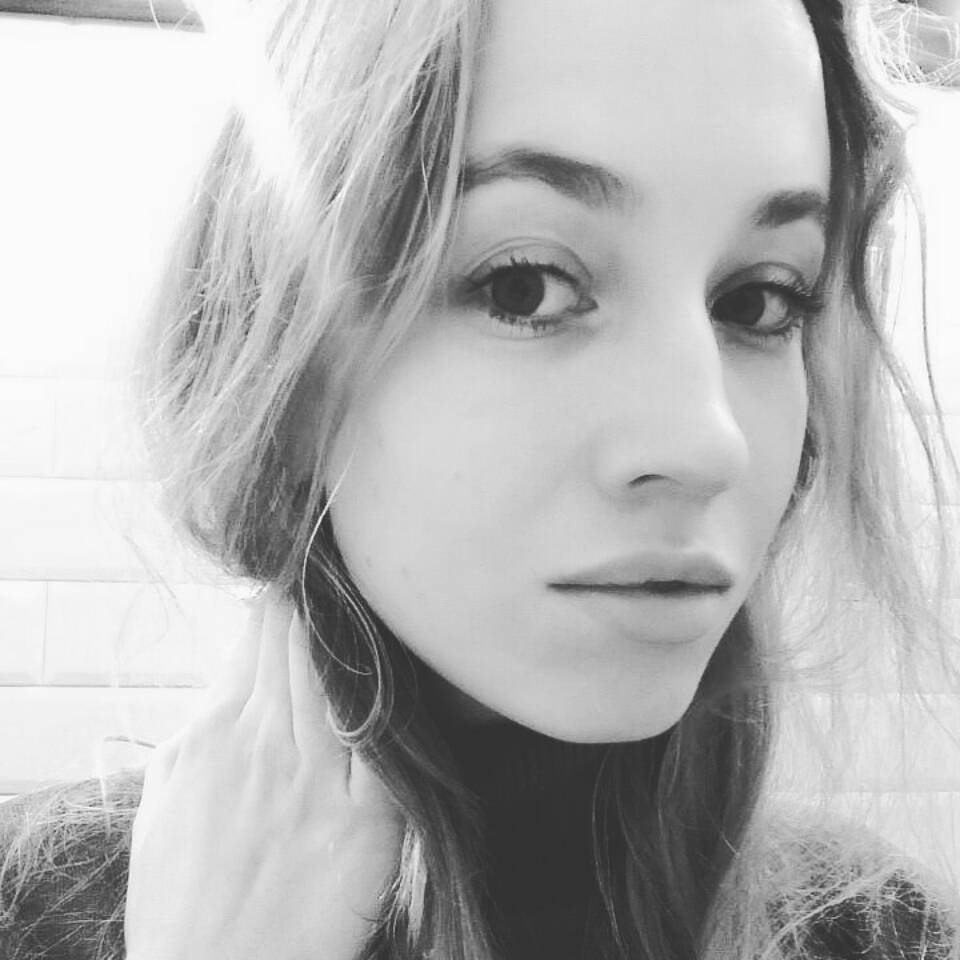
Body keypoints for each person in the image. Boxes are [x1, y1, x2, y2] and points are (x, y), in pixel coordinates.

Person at [2, 0, 960, 958]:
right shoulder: (30, 913)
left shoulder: (879, 934)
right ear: (281, 369)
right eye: (524, 285)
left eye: (759, 301)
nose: (710, 445)